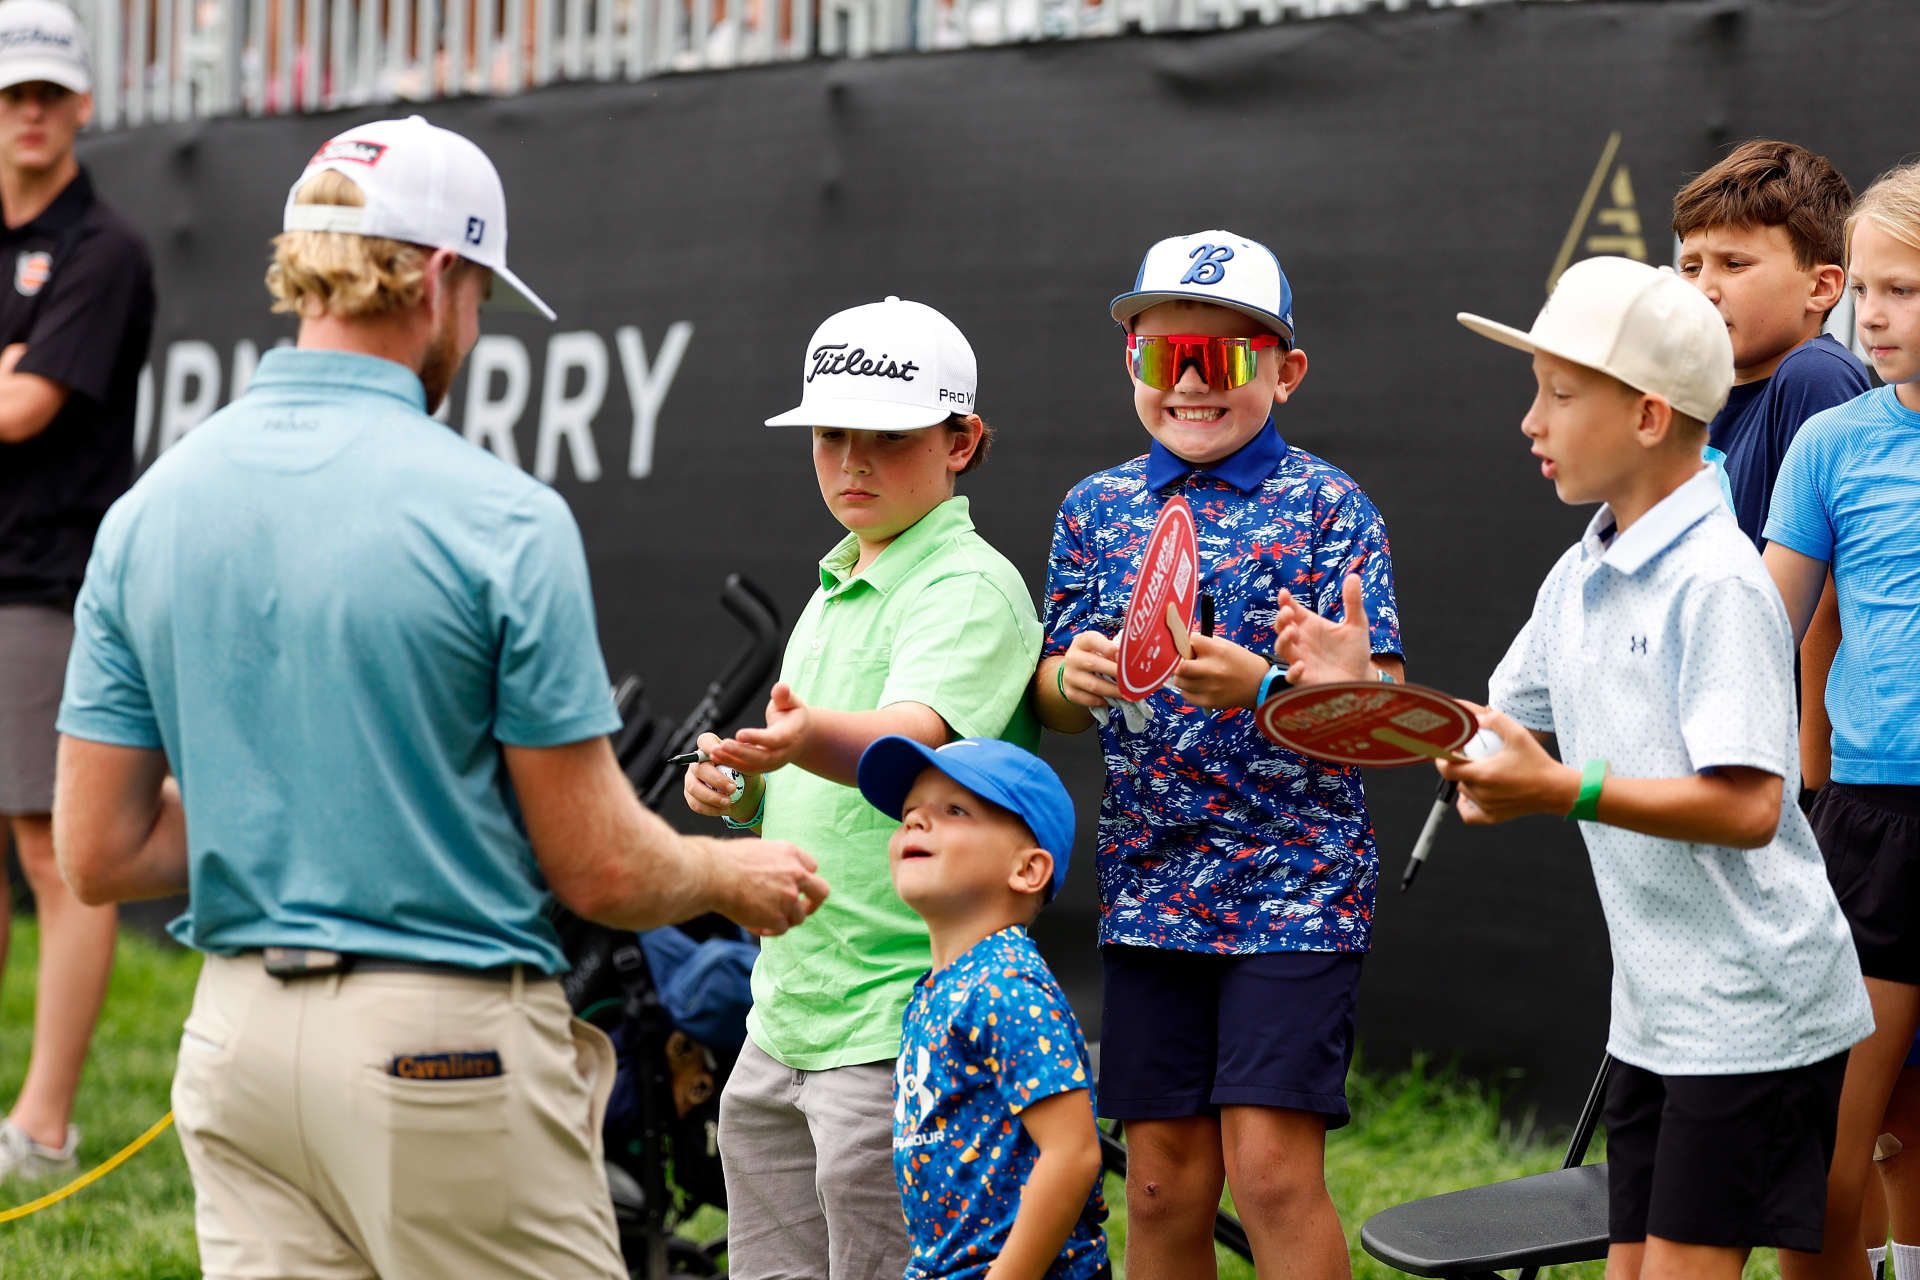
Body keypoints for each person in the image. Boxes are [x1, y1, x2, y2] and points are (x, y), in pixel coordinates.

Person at [51, 114, 828, 1279]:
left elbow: (98, 851)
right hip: (441, 1049)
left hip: (234, 1047)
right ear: (443, 277)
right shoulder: (498, 517)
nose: (470, 331)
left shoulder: (149, 510)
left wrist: (297, 811)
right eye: (479, 303)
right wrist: (729, 872)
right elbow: (601, 869)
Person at [1281, 255, 1873, 1280]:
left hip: (1753, 1010)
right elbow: (1492, 727)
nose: (1530, 421)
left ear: (1649, 417)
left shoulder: (1719, 581)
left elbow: (1748, 805)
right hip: (1654, 1009)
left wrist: (1566, 790)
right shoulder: (1583, 566)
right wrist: (1363, 689)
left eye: (1559, 393)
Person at [1030, 229, 1402, 1280]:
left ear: (1285, 373)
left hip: (1298, 881)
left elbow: (1378, 712)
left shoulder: (1334, 508)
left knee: (1274, 1171)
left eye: (1224, 359)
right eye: (1164, 357)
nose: (1190, 385)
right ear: (1133, 364)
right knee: (1158, 1183)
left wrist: (1283, 687)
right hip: (1153, 884)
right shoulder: (1093, 511)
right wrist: (1076, 677)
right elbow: (1052, 695)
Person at [682, 296, 1042, 1280]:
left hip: (902, 1016)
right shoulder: (833, 582)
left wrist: (798, 738)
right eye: (830, 433)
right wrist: (743, 789)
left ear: (962, 439)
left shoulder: (969, 585)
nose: (851, 461)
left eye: (886, 437)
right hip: (785, 1013)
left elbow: (907, 747)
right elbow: (810, 776)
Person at [0, 0, 155, 1183]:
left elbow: (23, 409)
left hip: (47, 583)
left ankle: (45, 1128)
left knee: (59, 854)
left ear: (84, 103)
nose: (31, 112)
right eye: (13, 94)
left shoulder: (104, 249)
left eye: (49, 92)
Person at [1765, 160, 1920, 1280]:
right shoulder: (1834, 442)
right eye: (1863, 286)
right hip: (1871, 821)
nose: (1873, 312)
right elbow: (1765, 625)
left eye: (1906, 288)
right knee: (1824, 1151)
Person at [855, 735, 1108, 1279]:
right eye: (909, 813)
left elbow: (1073, 1154)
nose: (916, 823)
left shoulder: (1005, 985)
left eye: (954, 809)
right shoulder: (936, 990)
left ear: (1027, 870)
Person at [1671, 138, 1870, 802]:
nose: (1704, 288)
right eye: (1690, 266)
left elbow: (1833, 591)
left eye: (1735, 263)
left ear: (1822, 287)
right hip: (1712, 746)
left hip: (1784, 771)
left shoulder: (1813, 375)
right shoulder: (1692, 401)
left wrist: (1814, 775)